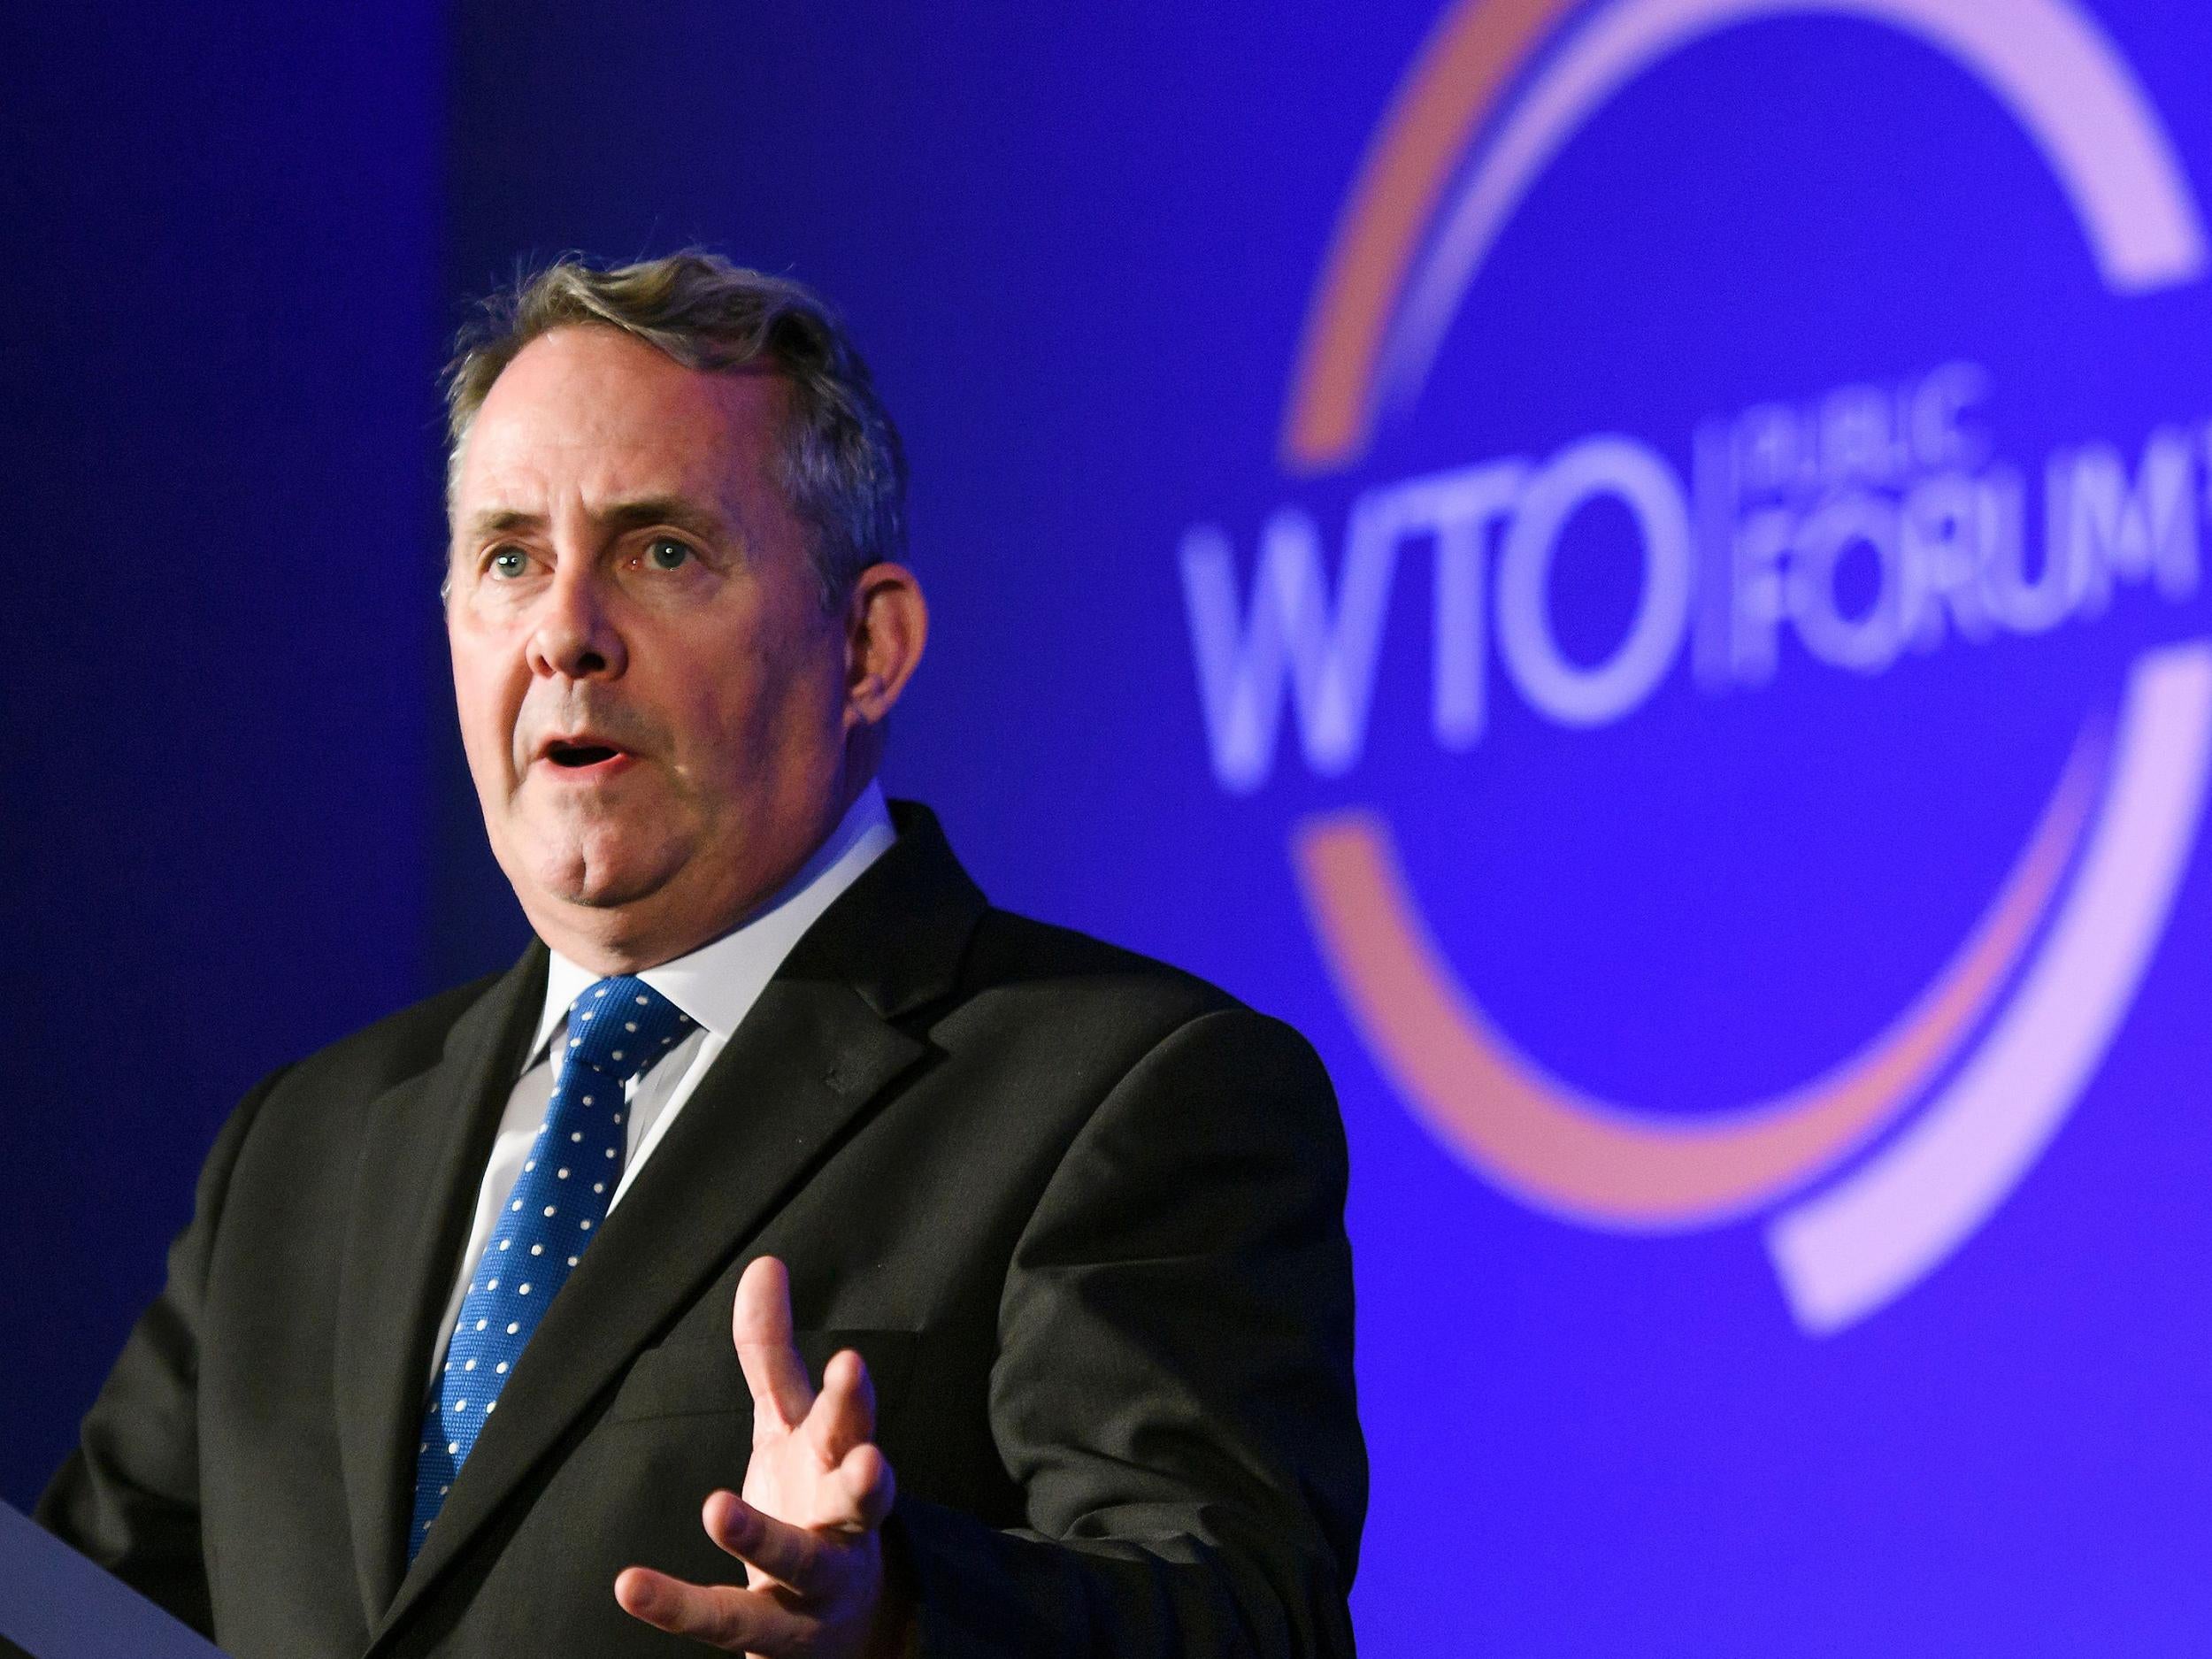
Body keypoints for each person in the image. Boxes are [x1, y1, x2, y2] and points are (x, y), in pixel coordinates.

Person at [37, 252, 1364, 1657]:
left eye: (661, 551)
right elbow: (78, 1616)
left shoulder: (1128, 1092)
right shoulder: (297, 1149)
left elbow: (1235, 1613)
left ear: (866, 647)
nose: (564, 634)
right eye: (509, 558)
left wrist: (898, 1613)